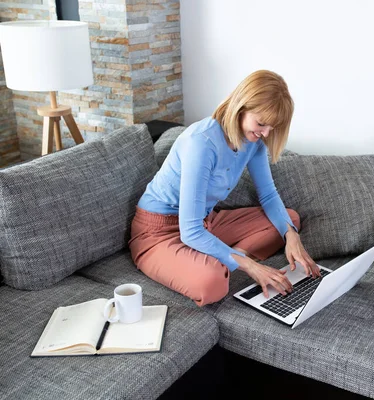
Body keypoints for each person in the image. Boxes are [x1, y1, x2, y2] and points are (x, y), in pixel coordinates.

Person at [129, 70, 319, 306]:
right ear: (241, 107)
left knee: (289, 220)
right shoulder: (201, 142)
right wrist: (251, 266)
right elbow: (189, 231)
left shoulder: (254, 143)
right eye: (261, 123)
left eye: (272, 127)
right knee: (213, 283)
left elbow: (269, 195)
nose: (266, 133)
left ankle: (219, 257)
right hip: (157, 233)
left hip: (205, 223)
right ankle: (223, 260)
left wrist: (292, 236)